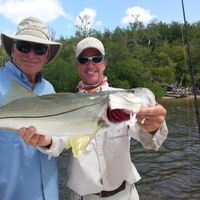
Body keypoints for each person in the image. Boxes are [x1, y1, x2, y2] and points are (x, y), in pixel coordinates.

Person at [19, 37, 168, 200]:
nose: (90, 65)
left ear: (104, 63)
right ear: (77, 66)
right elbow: (58, 142)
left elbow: (152, 142)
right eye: (83, 60)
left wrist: (153, 126)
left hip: (125, 194)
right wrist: (44, 141)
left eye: (96, 59)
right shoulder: (68, 103)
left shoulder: (122, 99)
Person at [0, 17, 62, 200]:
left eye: (40, 48)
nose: (32, 54)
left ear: (47, 55)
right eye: (24, 46)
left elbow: (59, 139)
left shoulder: (49, 89)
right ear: (12, 49)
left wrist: (49, 142)